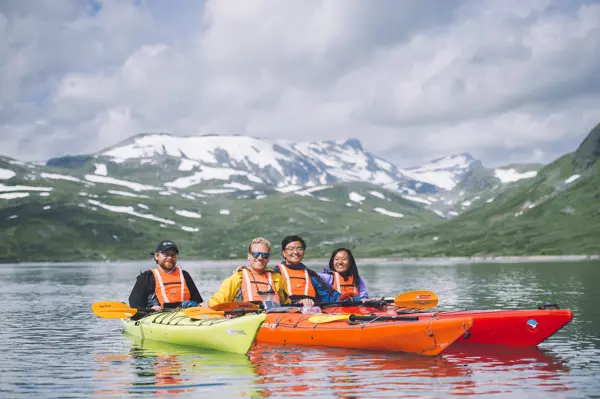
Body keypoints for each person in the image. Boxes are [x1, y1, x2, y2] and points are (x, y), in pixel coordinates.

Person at [209, 237, 290, 308]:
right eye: (255, 254)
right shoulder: (237, 278)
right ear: (249, 256)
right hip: (247, 320)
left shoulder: (277, 278)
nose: (260, 258)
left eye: (264, 255)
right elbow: (216, 302)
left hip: (273, 320)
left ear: (268, 258)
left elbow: (287, 303)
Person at [129, 240, 204, 312]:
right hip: (157, 316)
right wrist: (149, 310)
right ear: (156, 256)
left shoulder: (185, 275)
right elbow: (135, 305)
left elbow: (198, 301)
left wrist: (202, 306)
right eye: (166, 254)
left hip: (185, 315)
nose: (170, 258)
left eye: (173, 255)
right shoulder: (147, 277)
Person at [273, 235, 349, 306]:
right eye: (291, 249)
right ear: (284, 252)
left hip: (308, 313)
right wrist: (298, 302)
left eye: (300, 249)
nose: (296, 252)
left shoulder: (310, 274)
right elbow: (273, 299)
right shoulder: (276, 273)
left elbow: (330, 295)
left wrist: (353, 299)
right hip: (285, 314)